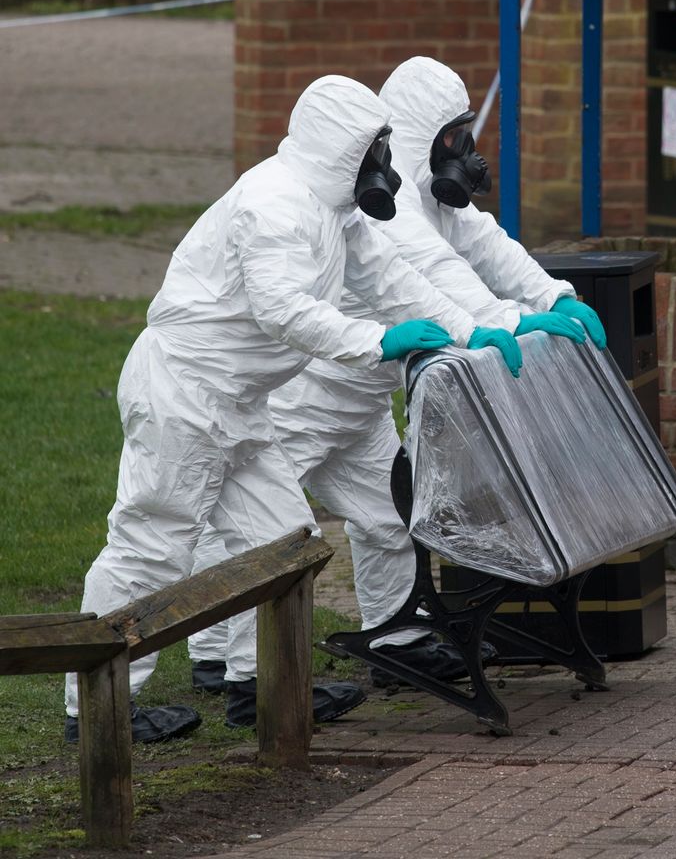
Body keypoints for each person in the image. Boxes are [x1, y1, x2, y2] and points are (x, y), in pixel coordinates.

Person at [64, 75, 508, 742]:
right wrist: (377, 341)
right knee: (152, 544)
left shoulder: (337, 210)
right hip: (183, 390)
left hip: (238, 400)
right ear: (341, 148)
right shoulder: (271, 204)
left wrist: (473, 330)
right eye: (376, 151)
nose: (386, 169)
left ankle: (258, 685)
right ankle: (96, 713)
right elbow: (284, 311)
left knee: (284, 545)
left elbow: (392, 280)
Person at [187, 56, 607, 695]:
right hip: (310, 396)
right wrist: (504, 322)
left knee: (387, 519)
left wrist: (552, 297)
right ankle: (217, 655)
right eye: (454, 133)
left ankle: (395, 640)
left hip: (362, 399)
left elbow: (485, 244)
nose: (464, 148)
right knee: (255, 527)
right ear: (424, 132)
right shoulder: (387, 205)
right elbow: (435, 273)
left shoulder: (428, 193)